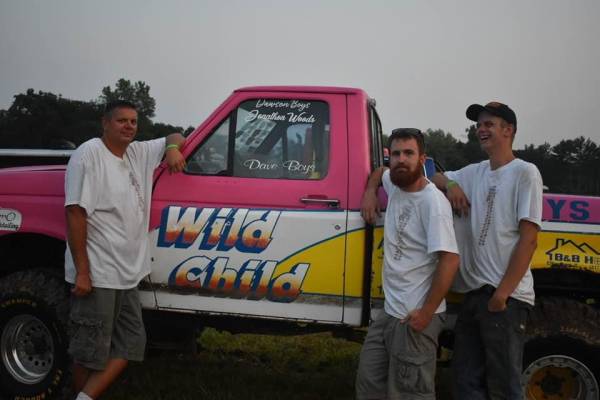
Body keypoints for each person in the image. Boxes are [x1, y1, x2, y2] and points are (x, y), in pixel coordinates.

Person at [64, 100, 186, 400]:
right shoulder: (89, 155)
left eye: (133, 121)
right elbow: (76, 214)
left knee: (131, 344)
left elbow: (177, 136)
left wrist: (172, 149)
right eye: (122, 121)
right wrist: (82, 272)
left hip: (128, 274)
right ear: (105, 123)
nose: (129, 126)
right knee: (88, 351)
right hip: (98, 272)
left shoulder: (137, 152)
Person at [431, 102, 543, 399]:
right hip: (474, 295)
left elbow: (529, 239)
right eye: (478, 124)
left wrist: (502, 295)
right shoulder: (475, 171)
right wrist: (452, 183)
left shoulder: (525, 173)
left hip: (504, 299)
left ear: (509, 131)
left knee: (504, 384)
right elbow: (433, 177)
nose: (480, 129)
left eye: (489, 124)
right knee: (466, 381)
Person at [357, 128, 460, 400]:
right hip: (389, 314)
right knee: (369, 386)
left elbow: (450, 259)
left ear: (422, 158)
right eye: (397, 154)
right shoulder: (395, 182)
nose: (401, 160)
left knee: (409, 394)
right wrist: (370, 190)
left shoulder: (432, 203)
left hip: (415, 318)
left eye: (409, 154)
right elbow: (380, 172)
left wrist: (426, 313)